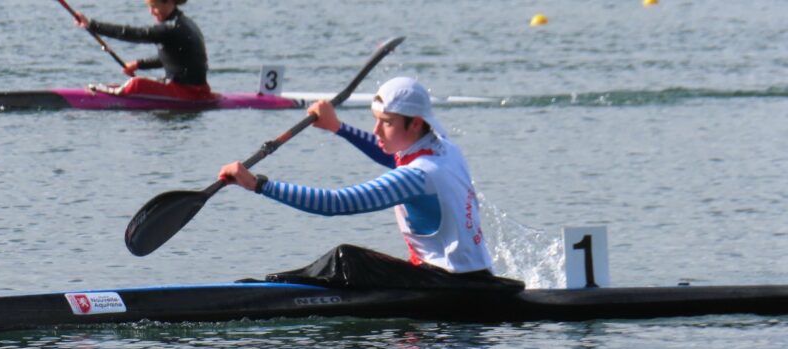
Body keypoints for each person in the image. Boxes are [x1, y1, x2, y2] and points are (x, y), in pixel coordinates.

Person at [218, 76, 502, 283]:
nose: (377, 130)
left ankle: (270, 289)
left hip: (448, 285)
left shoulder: (418, 176)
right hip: (474, 276)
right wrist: (338, 127)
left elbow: (337, 203)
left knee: (346, 259)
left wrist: (258, 185)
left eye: (386, 123)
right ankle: (275, 285)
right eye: (375, 119)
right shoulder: (446, 149)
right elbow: (390, 154)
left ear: (415, 123)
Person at [74, 0, 213, 100]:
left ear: (169, 2)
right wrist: (140, 64)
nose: (151, 12)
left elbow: (132, 33)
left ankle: (100, 91)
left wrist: (92, 25)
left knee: (137, 83)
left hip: (186, 93)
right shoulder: (185, 22)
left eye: (154, 7)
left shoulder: (169, 29)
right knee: (140, 83)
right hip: (195, 90)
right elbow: (176, 58)